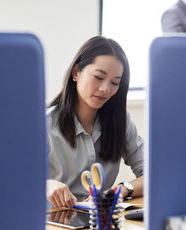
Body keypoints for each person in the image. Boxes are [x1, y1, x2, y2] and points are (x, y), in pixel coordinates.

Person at [46, 36, 144, 208]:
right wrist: (46, 184)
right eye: (99, 77)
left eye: (115, 83)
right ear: (76, 72)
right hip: (55, 228)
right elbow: (14, 179)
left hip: (102, 225)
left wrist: (122, 190)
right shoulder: (44, 123)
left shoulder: (121, 120)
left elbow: (153, 174)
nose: (106, 89)